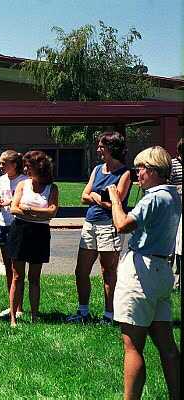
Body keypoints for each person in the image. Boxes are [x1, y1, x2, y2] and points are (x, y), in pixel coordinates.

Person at [109, 146, 181, 400]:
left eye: (141, 168)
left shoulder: (152, 197)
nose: (137, 173)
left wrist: (116, 201)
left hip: (141, 272)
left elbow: (122, 225)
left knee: (132, 346)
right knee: (167, 347)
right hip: (163, 271)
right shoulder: (174, 196)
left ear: (153, 170)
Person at [67, 132, 131, 324]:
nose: (98, 150)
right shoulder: (97, 170)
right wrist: (99, 197)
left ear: (111, 148)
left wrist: (95, 197)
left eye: (101, 147)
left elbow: (115, 203)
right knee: (81, 271)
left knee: (108, 272)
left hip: (109, 226)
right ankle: (83, 312)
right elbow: (84, 196)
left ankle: (109, 315)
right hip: (90, 224)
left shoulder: (125, 173)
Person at [8, 150, 59, 327]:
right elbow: (14, 208)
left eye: (29, 167)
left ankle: (35, 315)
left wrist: (29, 210)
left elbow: (52, 211)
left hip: (40, 233)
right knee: (17, 276)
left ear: (40, 167)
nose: (26, 170)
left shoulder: (52, 188)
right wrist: (39, 213)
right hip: (20, 231)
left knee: (35, 278)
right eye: (26, 166)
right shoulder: (23, 185)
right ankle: (13, 317)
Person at [0, 150, 27, 319]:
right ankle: (12, 305)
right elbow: (4, 200)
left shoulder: (24, 181)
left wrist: (9, 202)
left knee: (17, 270)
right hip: (3, 224)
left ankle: (20, 308)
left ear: (14, 165)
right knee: (8, 268)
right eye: (0, 163)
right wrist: (0, 204)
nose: (0, 166)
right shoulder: (1, 180)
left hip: (19, 226)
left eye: (3, 163)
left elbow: (25, 202)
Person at [168, 138, 182, 291]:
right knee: (171, 247)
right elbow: (167, 186)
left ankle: (179, 283)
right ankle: (167, 282)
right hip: (174, 212)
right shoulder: (172, 165)